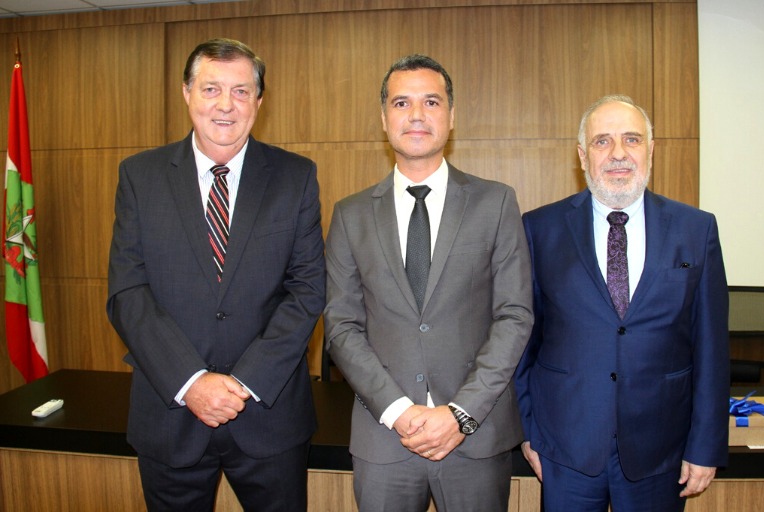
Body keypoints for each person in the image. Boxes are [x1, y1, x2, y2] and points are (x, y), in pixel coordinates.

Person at [106, 38, 325, 511]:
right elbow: (128, 292)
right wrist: (191, 382)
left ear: (259, 101)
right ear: (186, 93)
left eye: (241, 91)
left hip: (269, 416)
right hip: (171, 413)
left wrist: (244, 383)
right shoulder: (140, 177)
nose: (226, 105)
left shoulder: (296, 176)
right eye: (211, 89)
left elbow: (306, 291)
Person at [323, 54, 534, 512]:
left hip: (475, 439)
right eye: (402, 102)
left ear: (451, 117)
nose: (416, 114)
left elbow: (514, 315)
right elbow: (341, 326)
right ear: (384, 119)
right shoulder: (350, 214)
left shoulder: (495, 203)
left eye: (431, 102)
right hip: (384, 439)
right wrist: (398, 411)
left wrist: (461, 414)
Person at [515, 94, 729, 511]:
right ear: (582, 155)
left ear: (651, 149)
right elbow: (522, 340)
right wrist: (528, 431)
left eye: (632, 140)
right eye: (602, 142)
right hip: (565, 448)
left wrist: (705, 445)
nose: (618, 154)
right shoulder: (539, 229)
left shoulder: (696, 229)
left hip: (660, 449)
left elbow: (712, 349)